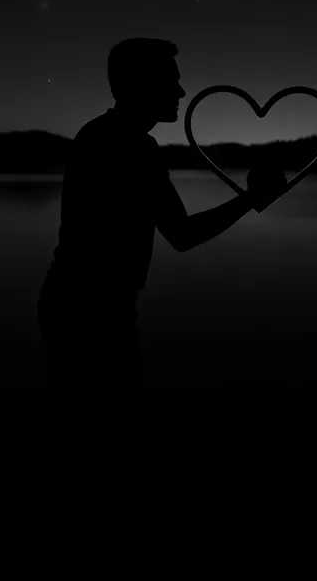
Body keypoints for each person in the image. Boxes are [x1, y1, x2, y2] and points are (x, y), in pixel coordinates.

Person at [37, 37, 288, 393]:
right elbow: (182, 234)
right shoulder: (129, 145)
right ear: (142, 84)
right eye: (172, 81)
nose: (181, 92)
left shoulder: (109, 136)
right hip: (90, 311)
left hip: (80, 303)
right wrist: (252, 198)